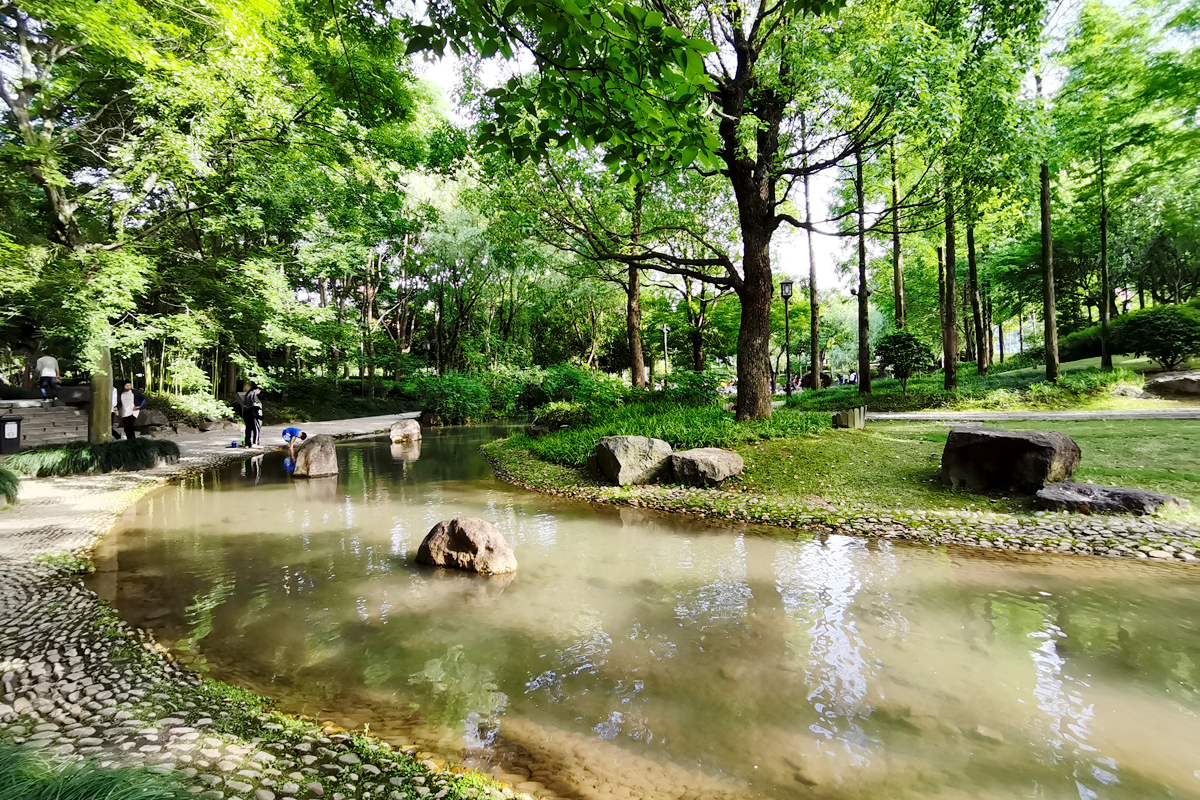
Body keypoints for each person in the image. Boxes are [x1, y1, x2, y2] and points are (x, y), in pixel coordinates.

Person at [242, 382, 263, 448]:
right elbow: (254, 404)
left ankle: (247, 444)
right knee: (256, 428)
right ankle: (255, 443)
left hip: (246, 413)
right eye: (259, 390)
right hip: (252, 413)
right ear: (257, 389)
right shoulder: (253, 394)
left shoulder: (247, 394)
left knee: (248, 429)